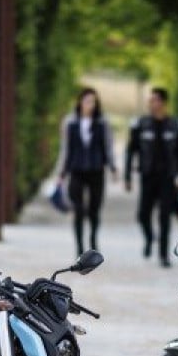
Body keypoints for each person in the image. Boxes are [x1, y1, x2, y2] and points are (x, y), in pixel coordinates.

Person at [125, 87, 178, 268]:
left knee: (164, 217)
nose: (151, 104)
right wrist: (128, 176)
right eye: (150, 100)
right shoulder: (141, 124)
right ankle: (149, 237)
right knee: (143, 214)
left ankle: (163, 254)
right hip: (147, 176)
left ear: (163, 103)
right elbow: (131, 151)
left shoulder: (176, 125)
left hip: (167, 178)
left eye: (154, 100)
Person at [58, 87, 116, 255]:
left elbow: (108, 145)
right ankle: (79, 246)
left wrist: (112, 166)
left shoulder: (102, 123)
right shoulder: (70, 122)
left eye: (93, 101)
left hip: (96, 169)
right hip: (76, 169)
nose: (90, 105)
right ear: (80, 102)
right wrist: (61, 172)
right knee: (78, 209)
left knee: (94, 208)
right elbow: (65, 149)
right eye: (87, 101)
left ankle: (93, 239)